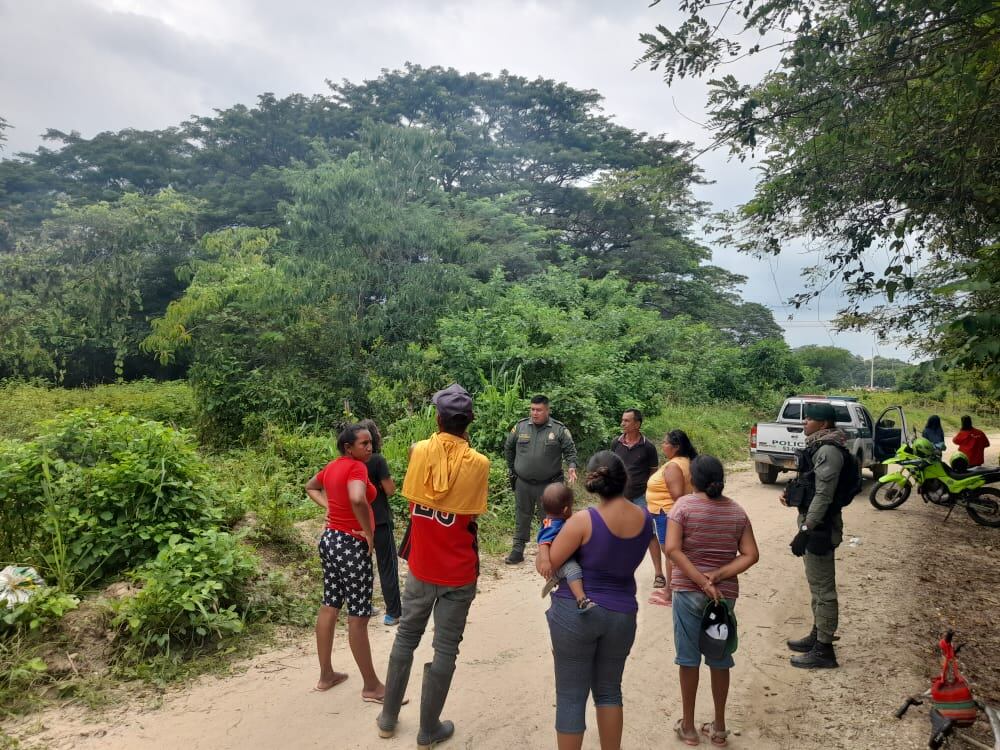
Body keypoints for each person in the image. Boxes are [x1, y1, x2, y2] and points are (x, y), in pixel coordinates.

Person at [376, 383, 490, 749]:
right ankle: (428, 731)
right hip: (459, 572)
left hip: (421, 569)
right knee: (445, 649)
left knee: (406, 637)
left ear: (438, 420)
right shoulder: (479, 464)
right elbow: (472, 514)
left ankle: (388, 719)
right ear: (469, 422)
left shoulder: (419, 451)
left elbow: (421, 450)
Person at [536, 451, 653, 750]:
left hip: (575, 615)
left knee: (571, 696)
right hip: (622, 614)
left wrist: (543, 542)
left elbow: (547, 567)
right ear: (625, 479)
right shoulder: (645, 519)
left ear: (594, 484)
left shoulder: (582, 521)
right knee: (610, 692)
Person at [666, 454, 758, 747]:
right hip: (723, 597)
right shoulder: (737, 512)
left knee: (688, 658)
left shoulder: (683, 507)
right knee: (719, 658)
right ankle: (719, 728)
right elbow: (751, 554)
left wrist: (701, 580)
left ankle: (689, 727)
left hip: (688, 592)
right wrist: (717, 576)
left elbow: (672, 549)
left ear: (693, 479)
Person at [305, 424, 388, 700]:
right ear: (348, 447)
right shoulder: (356, 468)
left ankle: (326, 675)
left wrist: (329, 507)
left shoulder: (332, 467)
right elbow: (357, 498)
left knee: (330, 604)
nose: (369, 447)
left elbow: (311, 486)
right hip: (351, 545)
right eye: (363, 443)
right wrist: (368, 533)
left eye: (370, 442)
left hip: (330, 540)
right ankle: (372, 686)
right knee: (359, 615)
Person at [782, 402, 846, 669]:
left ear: (824, 424)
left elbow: (824, 495)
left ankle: (824, 649)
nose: (804, 422)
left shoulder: (829, 450)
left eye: (809, 419)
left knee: (823, 589)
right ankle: (817, 634)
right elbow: (812, 486)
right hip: (814, 522)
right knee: (816, 585)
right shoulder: (819, 447)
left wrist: (806, 530)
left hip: (820, 527)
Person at [504, 395, 578, 565]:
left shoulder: (558, 429)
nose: (535, 413)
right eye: (532, 409)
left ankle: (553, 550)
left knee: (551, 517)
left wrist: (572, 466)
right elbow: (509, 448)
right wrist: (513, 468)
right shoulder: (521, 426)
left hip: (549, 484)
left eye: (539, 410)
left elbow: (570, 451)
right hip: (523, 482)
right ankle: (517, 550)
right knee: (522, 515)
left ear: (547, 410)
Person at [610, 409, 662, 589]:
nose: (622, 423)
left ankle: (659, 574)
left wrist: (649, 493)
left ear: (637, 424)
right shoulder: (616, 443)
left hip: (641, 497)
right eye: (622, 420)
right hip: (620, 498)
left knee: (650, 534)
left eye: (627, 421)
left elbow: (653, 473)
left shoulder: (648, 447)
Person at [358, 419, 402, 626]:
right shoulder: (377, 461)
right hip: (380, 521)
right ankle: (393, 613)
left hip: (359, 522)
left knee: (363, 566)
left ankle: (364, 606)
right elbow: (390, 490)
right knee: (387, 567)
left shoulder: (352, 463)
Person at [646, 429, 696, 607]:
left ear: (676, 447)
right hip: (667, 513)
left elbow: (677, 496)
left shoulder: (674, 466)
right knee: (673, 554)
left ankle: (669, 594)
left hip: (667, 514)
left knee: (670, 554)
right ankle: (673, 589)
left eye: (665, 442)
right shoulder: (684, 462)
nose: (663, 445)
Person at [536, 482, 595, 610]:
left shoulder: (556, 521)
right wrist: (546, 561)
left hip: (561, 559)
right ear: (565, 510)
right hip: (560, 564)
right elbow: (543, 542)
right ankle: (581, 600)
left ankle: (555, 578)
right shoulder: (552, 525)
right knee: (573, 569)